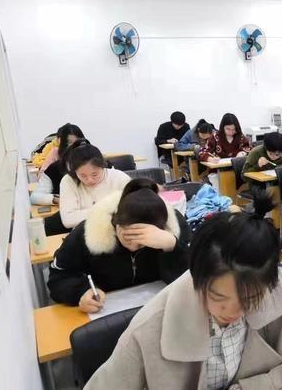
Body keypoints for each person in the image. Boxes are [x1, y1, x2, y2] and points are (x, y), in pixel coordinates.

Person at [58, 195, 282, 390]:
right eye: (218, 297)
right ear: (196, 279)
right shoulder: (150, 328)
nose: (233, 312)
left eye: (250, 300)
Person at [48, 178, 191, 313]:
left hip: (160, 308)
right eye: (128, 236)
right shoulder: (89, 231)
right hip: (105, 311)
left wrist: (173, 246)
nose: (134, 245)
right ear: (115, 222)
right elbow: (58, 277)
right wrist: (81, 292)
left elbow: (195, 277)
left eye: (144, 240)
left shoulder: (174, 227)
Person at [59, 140, 131, 229]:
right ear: (74, 171)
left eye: (94, 174)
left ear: (103, 166)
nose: (89, 180)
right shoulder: (69, 181)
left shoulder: (119, 178)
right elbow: (68, 220)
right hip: (83, 232)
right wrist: (108, 210)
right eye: (83, 176)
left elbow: (132, 209)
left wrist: (86, 213)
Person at [30, 124, 85, 206]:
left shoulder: (91, 161)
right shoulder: (54, 167)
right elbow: (35, 197)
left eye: (77, 142)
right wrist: (57, 199)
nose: (74, 146)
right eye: (69, 143)